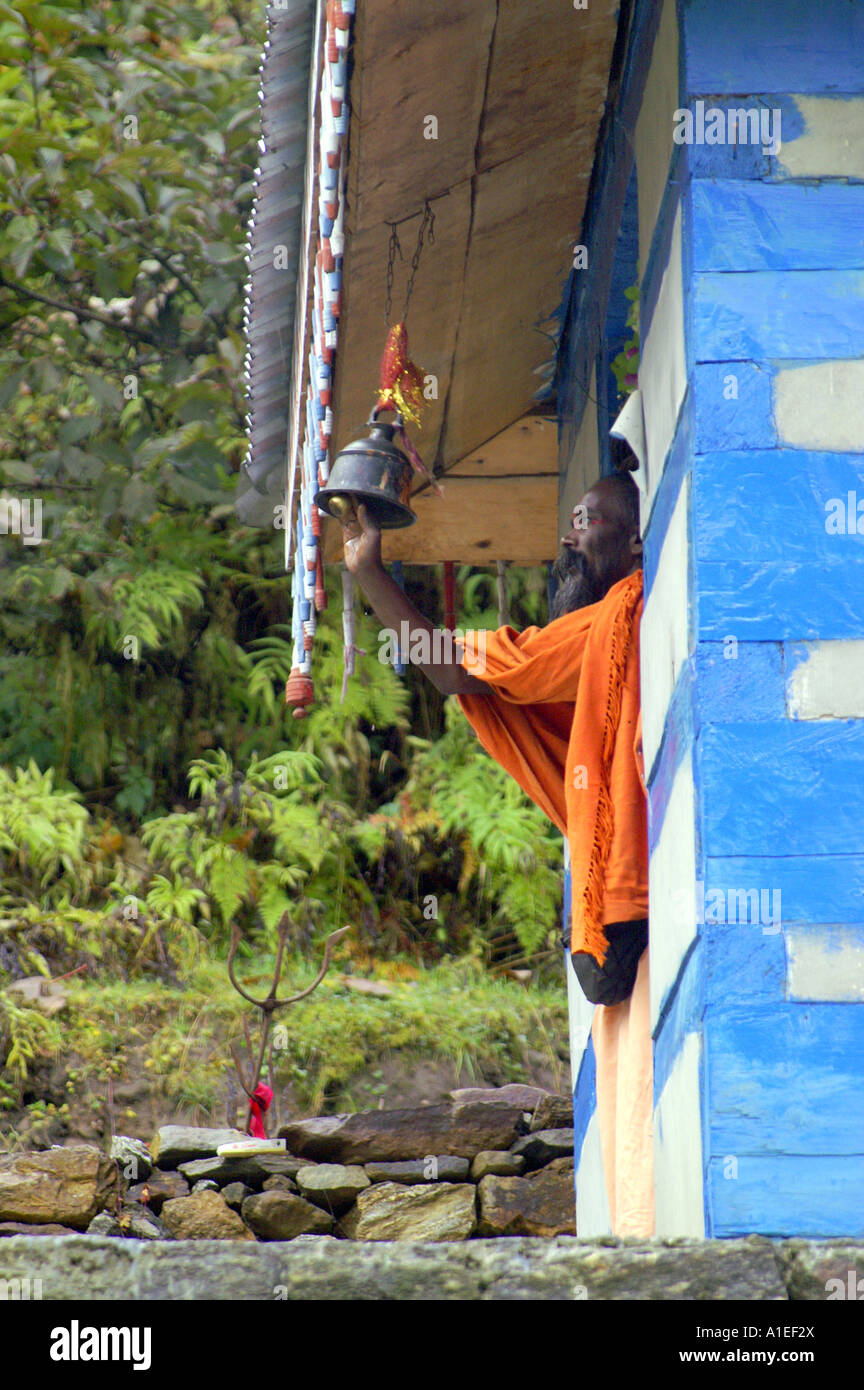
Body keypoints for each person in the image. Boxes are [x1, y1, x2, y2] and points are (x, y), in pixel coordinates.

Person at [339, 468, 653, 1237]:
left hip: (629, 899)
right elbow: (478, 684)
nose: (567, 536)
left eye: (585, 519)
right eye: (570, 520)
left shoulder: (621, 614)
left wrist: (370, 573)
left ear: (637, 541)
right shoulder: (608, 629)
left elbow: (457, 671)